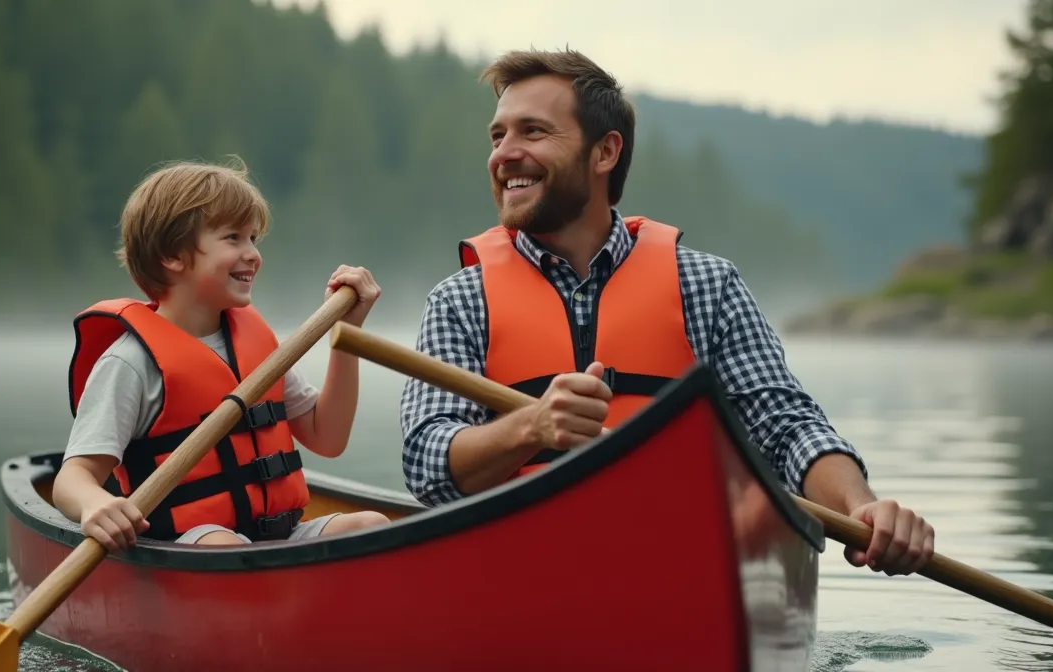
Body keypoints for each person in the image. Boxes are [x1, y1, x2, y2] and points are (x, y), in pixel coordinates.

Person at [398, 48, 935, 577]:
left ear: (605, 152)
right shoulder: (461, 300)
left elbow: (785, 427)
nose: (504, 154)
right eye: (498, 136)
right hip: (522, 568)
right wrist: (530, 427)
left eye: (533, 132)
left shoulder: (704, 285)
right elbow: (427, 464)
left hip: (682, 562)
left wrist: (859, 506)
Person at [53, 158, 390, 551]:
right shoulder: (131, 363)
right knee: (224, 546)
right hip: (187, 544)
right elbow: (71, 479)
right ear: (172, 255)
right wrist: (95, 502)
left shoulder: (257, 345)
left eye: (254, 239)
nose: (252, 254)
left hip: (279, 536)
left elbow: (327, 436)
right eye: (233, 238)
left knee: (373, 525)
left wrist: (346, 332)